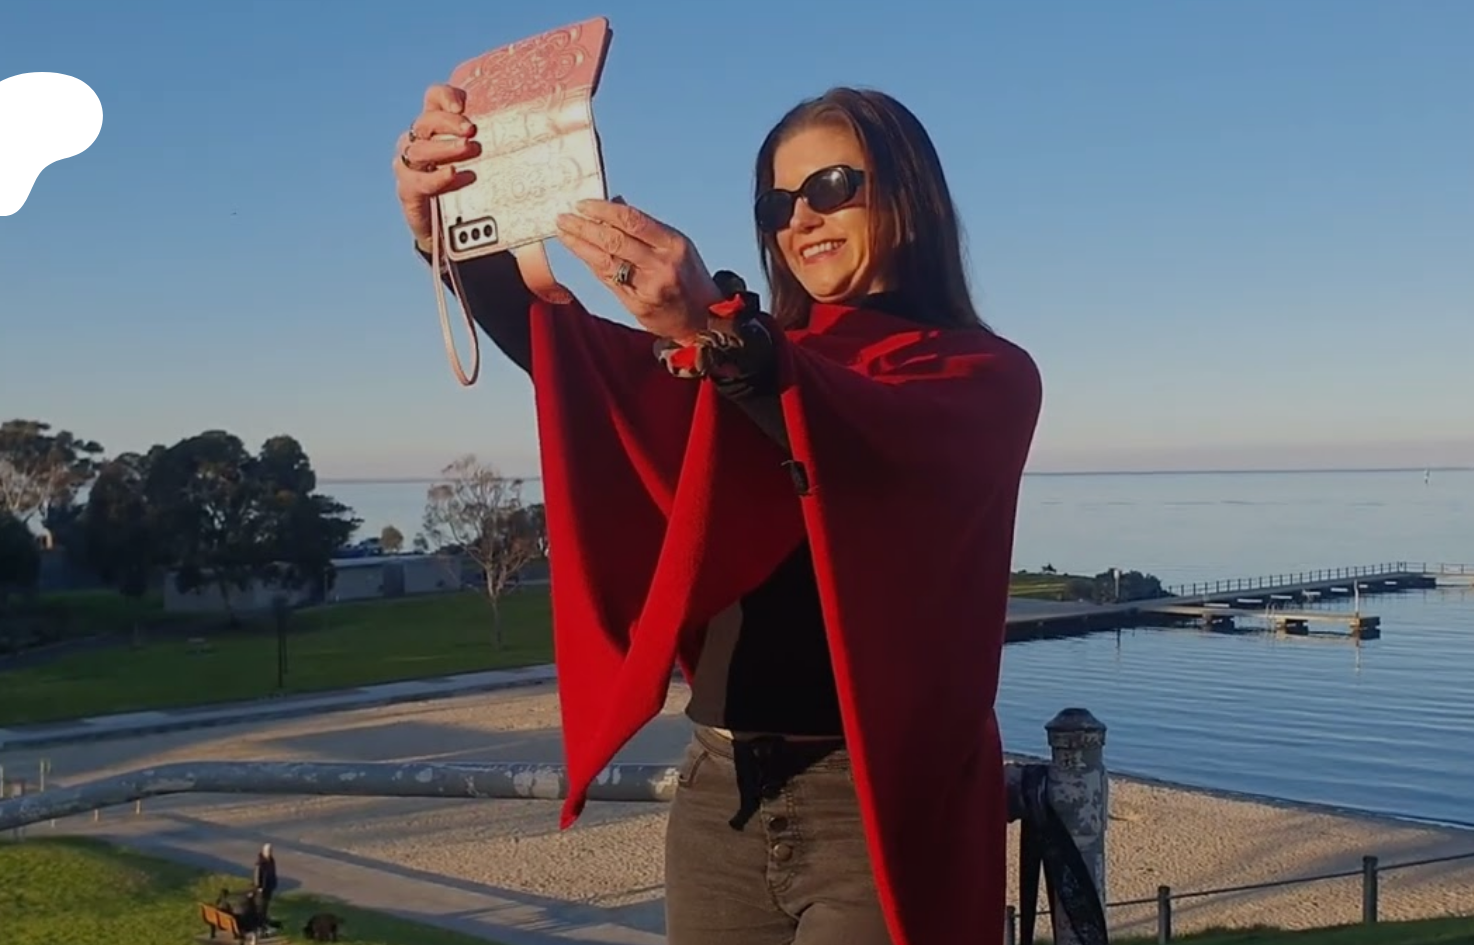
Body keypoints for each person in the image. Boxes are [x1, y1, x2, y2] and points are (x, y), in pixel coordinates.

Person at [393, 84, 1041, 945]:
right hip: (720, 796)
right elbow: (585, 367)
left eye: (833, 186)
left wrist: (716, 332)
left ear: (909, 193)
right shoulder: (743, 358)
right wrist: (449, 223)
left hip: (875, 803)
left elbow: (862, 436)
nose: (801, 217)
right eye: (778, 202)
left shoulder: (985, 374)